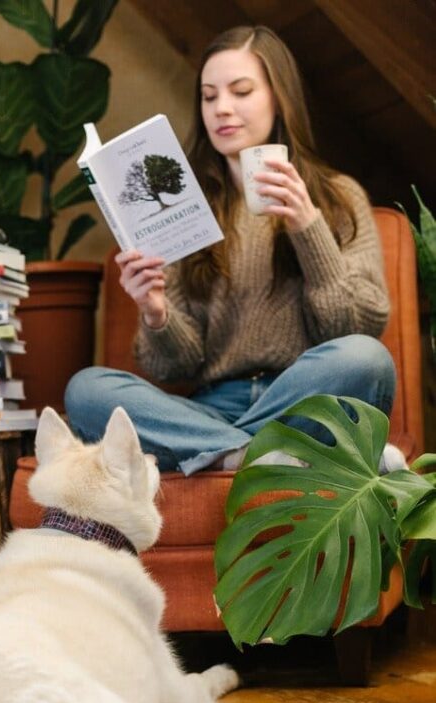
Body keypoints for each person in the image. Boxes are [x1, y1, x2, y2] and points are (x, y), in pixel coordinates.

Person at [65, 24, 404, 475]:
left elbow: (356, 326)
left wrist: (308, 228)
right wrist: (156, 312)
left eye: (241, 91)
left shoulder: (337, 198)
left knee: (365, 359)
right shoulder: (184, 205)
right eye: (209, 96)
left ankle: (223, 456)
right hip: (211, 409)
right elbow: (176, 367)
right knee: (86, 391)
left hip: (306, 398)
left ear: (279, 97)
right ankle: (256, 453)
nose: (222, 109)